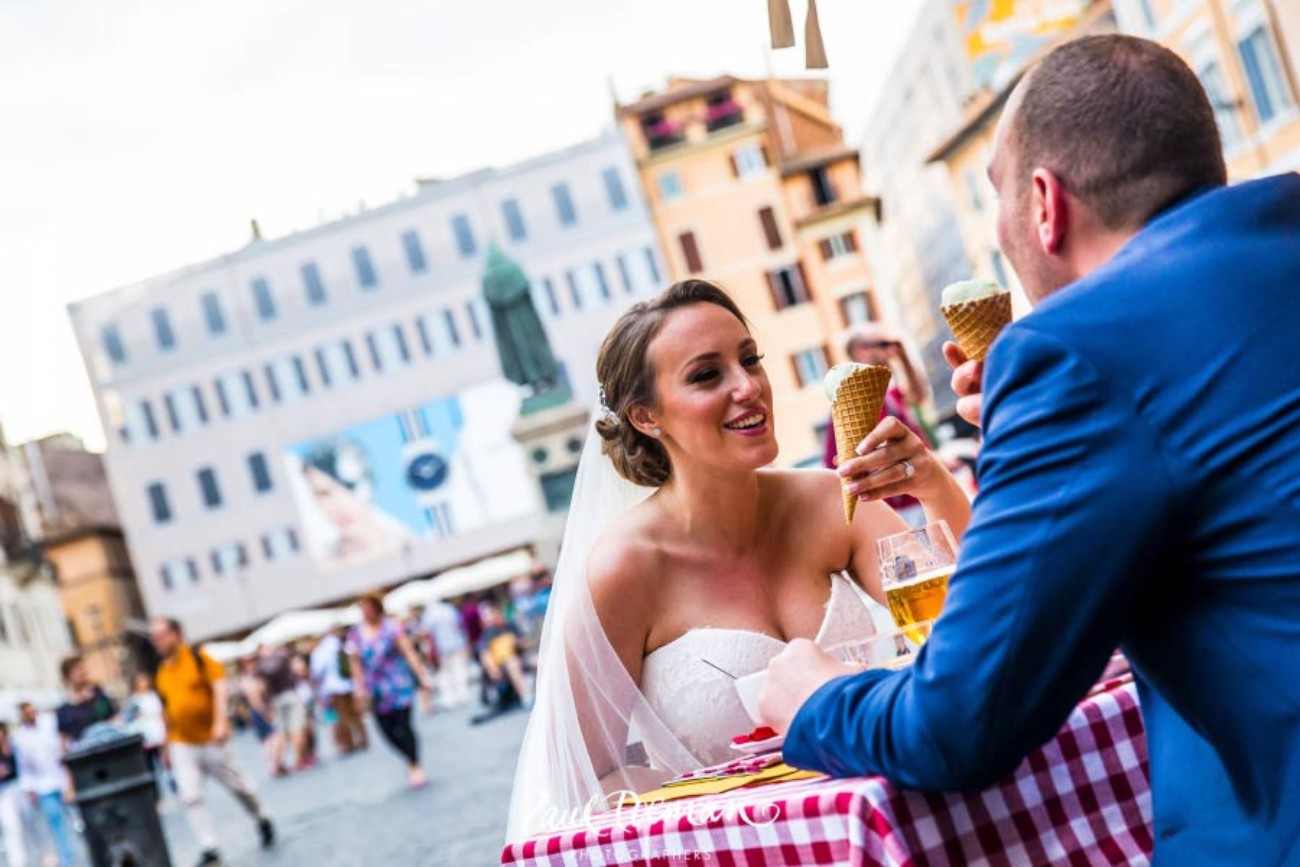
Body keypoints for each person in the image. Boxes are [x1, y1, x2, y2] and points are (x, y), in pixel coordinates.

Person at [759, 35, 1300, 866]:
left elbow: (960, 723)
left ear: (1044, 205)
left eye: (996, 198)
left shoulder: (1067, 354)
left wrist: (816, 698)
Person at [505, 279, 970, 839]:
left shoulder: (830, 501)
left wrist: (934, 486)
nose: (748, 387)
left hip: (892, 826)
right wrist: (729, 819)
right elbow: (583, 781)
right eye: (707, 375)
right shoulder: (624, 569)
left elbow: (967, 631)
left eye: (751, 360)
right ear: (646, 417)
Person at [150, 618, 274, 866]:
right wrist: (166, 746)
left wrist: (220, 722)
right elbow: (167, 711)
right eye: (154, 638)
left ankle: (261, 817)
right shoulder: (162, 673)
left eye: (161, 635)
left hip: (211, 738)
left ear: (176, 634)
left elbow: (219, 688)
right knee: (190, 795)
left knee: (239, 787)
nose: (158, 642)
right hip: (182, 742)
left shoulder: (198, 657)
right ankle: (210, 847)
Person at [822, 324, 934, 526]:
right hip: (890, 507)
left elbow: (918, 395)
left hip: (917, 495)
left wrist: (904, 357)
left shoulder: (889, 397)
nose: (889, 352)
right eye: (883, 345)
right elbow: (834, 466)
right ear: (861, 351)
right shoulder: (848, 406)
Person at [347, 592, 434, 788]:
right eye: (362, 608)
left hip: (398, 685)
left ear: (376, 607)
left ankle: (414, 764)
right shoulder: (355, 634)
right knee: (386, 732)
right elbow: (356, 665)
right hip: (375, 691)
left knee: (404, 727)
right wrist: (358, 687)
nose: (365, 611)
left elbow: (409, 653)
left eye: (368, 607)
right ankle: (408, 757)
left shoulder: (392, 628)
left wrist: (422, 676)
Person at [300, 439, 411, 562]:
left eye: (348, 487)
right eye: (324, 494)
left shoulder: (407, 546)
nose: (340, 504)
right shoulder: (323, 562)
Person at [12, 702, 77, 867]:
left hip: (63, 778)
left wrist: (70, 780)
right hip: (43, 786)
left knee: (78, 821)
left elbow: (65, 748)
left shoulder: (51, 723)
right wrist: (29, 789)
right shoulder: (20, 737)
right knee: (57, 826)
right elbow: (24, 767)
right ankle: (67, 861)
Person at [310, 627, 368, 754]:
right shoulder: (342, 645)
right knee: (356, 714)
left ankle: (349, 743)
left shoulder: (320, 651)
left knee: (342, 717)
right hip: (349, 684)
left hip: (334, 688)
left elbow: (316, 672)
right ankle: (363, 738)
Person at [254, 644, 309, 775]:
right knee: (297, 729)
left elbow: (260, 689)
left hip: (275, 700)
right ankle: (297, 762)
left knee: (280, 733)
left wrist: (264, 707)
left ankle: (278, 764)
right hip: (290, 695)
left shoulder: (260, 668)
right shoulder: (282, 656)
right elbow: (299, 668)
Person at [472, 602, 531, 720]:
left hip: (518, 658)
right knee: (512, 664)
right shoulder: (488, 633)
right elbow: (485, 654)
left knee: (538, 660)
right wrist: (492, 669)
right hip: (502, 664)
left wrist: (519, 643)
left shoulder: (511, 626)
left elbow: (524, 643)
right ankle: (526, 696)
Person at [119, 672, 168, 804]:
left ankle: (174, 788)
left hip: (158, 735)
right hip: (145, 739)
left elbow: (161, 714)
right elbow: (126, 720)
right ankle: (157, 797)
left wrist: (166, 732)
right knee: (150, 769)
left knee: (166, 765)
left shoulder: (153, 696)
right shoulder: (134, 701)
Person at [55, 655, 116, 747]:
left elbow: (113, 718)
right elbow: (64, 740)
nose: (82, 673)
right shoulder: (64, 710)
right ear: (67, 676)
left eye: (83, 668)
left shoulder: (98, 696)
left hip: (109, 745)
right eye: (77, 670)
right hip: (85, 754)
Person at [422, 599, 472, 710]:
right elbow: (459, 627)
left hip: (441, 649)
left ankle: (449, 698)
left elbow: (427, 634)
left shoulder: (428, 615)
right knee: (458, 670)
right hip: (455, 645)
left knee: (444, 674)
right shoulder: (449, 610)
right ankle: (462, 693)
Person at [235, 656, 278, 773]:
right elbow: (255, 699)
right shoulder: (249, 680)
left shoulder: (246, 679)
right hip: (258, 710)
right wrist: (265, 711)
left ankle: (273, 764)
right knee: (270, 738)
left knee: (266, 739)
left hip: (255, 711)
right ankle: (274, 764)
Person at [0, 721, 29, 867]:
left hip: (21, 786)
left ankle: (47, 856)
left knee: (30, 823)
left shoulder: (14, 745)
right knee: (11, 827)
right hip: (3, 792)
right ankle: (17, 863)